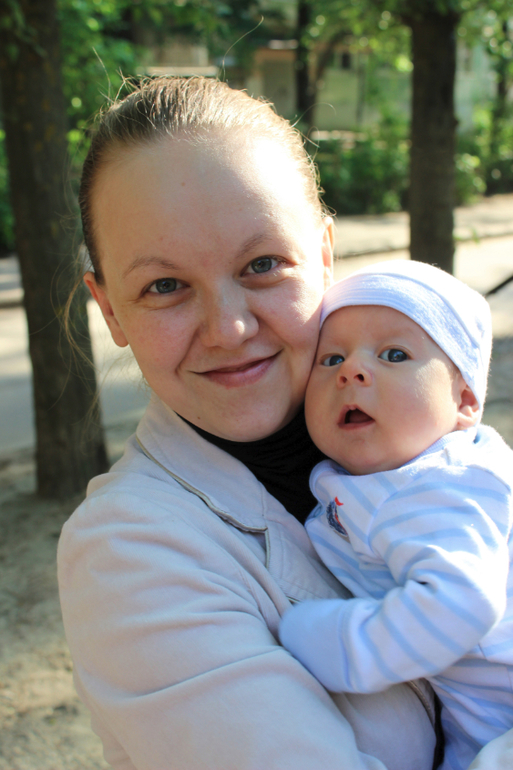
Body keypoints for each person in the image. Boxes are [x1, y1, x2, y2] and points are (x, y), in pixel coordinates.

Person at [57, 76, 440, 770]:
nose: (229, 329)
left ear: (323, 256)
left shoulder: (431, 441)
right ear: (110, 310)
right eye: (164, 286)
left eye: (262, 264)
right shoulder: (128, 555)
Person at [279, 261, 513, 770]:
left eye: (394, 354)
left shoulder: (438, 484)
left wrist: (337, 641)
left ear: (464, 400)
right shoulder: (396, 478)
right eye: (331, 358)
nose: (352, 371)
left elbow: (462, 600)